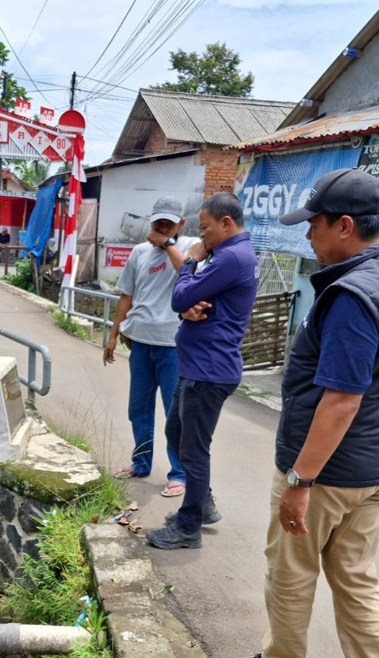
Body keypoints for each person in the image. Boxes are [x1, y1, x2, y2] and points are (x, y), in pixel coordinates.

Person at [253, 168, 379, 658]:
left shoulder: (352, 295)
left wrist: (300, 481)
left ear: (345, 226)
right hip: (368, 471)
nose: (307, 235)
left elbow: (342, 398)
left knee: (290, 575)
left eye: (314, 223)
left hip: (326, 473)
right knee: (358, 581)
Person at [145, 191, 259, 550]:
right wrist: (189, 307)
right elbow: (192, 304)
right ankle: (202, 502)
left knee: (194, 450)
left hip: (208, 370)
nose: (201, 236)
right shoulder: (229, 254)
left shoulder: (231, 257)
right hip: (198, 366)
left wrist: (191, 263)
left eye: (206, 228)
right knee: (176, 430)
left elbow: (180, 297)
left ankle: (188, 526)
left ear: (226, 223)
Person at [104, 196, 199, 498]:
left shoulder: (191, 247)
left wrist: (167, 244)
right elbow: (126, 295)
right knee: (138, 408)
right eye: (158, 222)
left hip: (173, 345)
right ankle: (141, 462)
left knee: (175, 413)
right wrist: (113, 333)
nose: (162, 227)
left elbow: (189, 275)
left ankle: (179, 473)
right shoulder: (139, 252)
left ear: (181, 224)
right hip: (141, 343)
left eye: (169, 223)